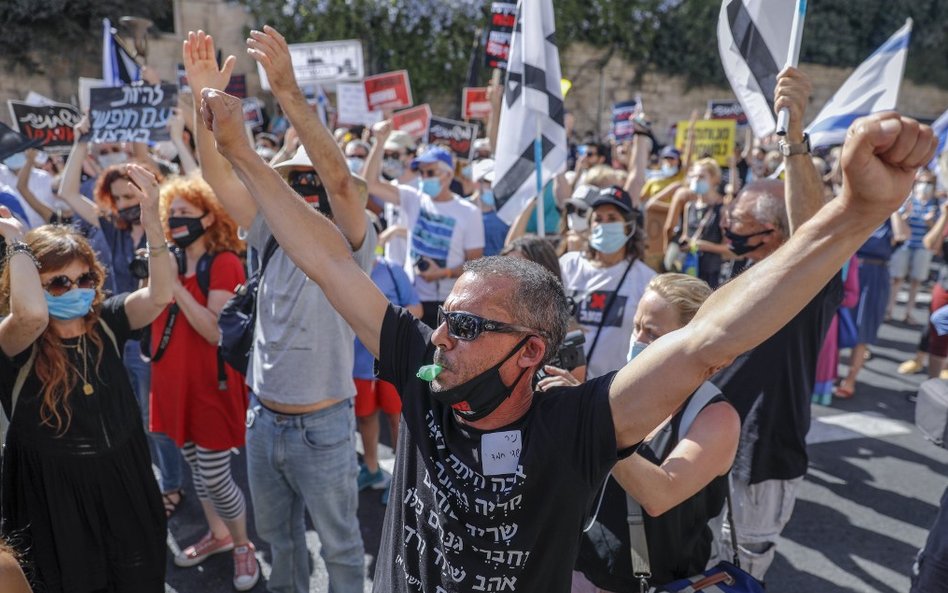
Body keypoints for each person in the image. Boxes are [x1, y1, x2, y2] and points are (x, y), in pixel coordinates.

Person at [199, 55, 936, 590]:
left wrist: (855, 214)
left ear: (528, 353)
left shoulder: (575, 423)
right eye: (445, 318)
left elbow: (711, 338)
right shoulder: (425, 375)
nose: (440, 337)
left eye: (465, 326)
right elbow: (330, 261)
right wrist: (239, 151)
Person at [186, 28, 371, 593]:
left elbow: (339, 178)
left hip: (324, 425)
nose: (305, 192)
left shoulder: (348, 235)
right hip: (263, 421)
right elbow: (218, 174)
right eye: (293, 181)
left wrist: (289, 91)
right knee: (280, 543)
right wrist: (204, 107)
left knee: (341, 550)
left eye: (311, 183)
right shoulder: (263, 227)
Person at [0, 164, 174, 593]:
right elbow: (32, 314)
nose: (75, 288)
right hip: (54, 497)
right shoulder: (15, 341)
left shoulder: (109, 320)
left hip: (124, 477)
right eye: (57, 282)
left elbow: (160, 295)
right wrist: (17, 244)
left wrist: (152, 218)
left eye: (84, 278)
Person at [566, 274, 739, 590]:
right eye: (636, 327)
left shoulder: (716, 417)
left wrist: (595, 425)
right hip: (581, 571)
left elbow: (660, 495)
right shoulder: (622, 390)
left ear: (690, 341)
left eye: (652, 332)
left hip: (655, 583)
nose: (638, 339)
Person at [57, 118, 187, 512]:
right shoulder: (109, 227)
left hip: (158, 333)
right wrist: (81, 140)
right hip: (116, 331)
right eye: (118, 198)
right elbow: (65, 192)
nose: (126, 204)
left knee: (156, 416)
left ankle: (174, 484)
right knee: (126, 413)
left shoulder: (163, 226)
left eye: (132, 197)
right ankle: (143, 477)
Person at [148, 176, 259, 589]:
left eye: (184, 213)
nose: (176, 220)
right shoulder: (173, 259)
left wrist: (173, 285)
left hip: (211, 385)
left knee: (214, 474)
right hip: (176, 382)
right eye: (171, 213)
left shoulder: (225, 262)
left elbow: (214, 331)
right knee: (197, 466)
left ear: (209, 216)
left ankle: (243, 547)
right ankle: (219, 535)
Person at [364, 121, 484, 328]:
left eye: (430, 173)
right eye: (421, 173)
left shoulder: (469, 212)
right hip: (413, 299)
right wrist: (379, 142)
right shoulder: (414, 198)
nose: (424, 178)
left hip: (450, 301)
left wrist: (443, 273)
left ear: (447, 174)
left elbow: (476, 264)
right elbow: (370, 184)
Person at [560, 186, 656, 379]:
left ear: (629, 226)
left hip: (614, 389)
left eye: (612, 218)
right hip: (566, 383)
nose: (603, 225)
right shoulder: (567, 266)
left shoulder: (647, 280)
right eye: (598, 219)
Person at [354, 254, 422, 502]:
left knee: (398, 420)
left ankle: (400, 479)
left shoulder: (392, 269)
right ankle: (371, 470)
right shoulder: (344, 267)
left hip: (392, 361)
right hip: (357, 364)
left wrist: (383, 319)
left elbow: (417, 307)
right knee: (365, 418)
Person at [886, 168, 939, 324]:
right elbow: (898, 222)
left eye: (929, 183)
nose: (925, 185)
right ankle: (890, 310)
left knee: (916, 281)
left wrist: (931, 221)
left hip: (922, 247)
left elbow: (937, 230)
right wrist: (905, 216)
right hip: (905, 245)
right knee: (897, 278)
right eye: (922, 182)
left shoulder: (935, 203)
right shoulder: (909, 200)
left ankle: (908, 313)